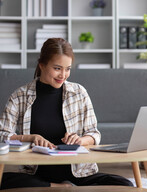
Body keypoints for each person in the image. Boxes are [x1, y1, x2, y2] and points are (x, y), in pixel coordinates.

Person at [0, 38, 133, 189]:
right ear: (42, 65)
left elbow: (94, 134)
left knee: (124, 184)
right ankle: (58, 186)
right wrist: (30, 138)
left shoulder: (79, 93)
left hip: (79, 174)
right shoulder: (20, 96)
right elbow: (2, 134)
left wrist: (80, 140)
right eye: (57, 68)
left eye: (68, 68)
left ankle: (58, 187)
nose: (63, 75)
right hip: (36, 174)